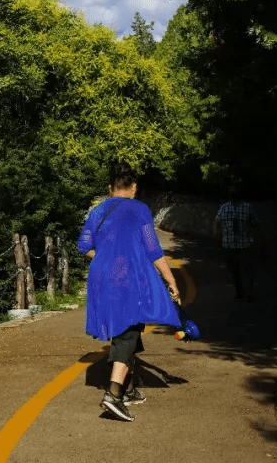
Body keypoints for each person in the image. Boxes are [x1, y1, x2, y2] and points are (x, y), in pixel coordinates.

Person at [77, 163, 181, 422]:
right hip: (127, 277)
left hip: (100, 276)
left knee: (123, 327)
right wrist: (171, 280)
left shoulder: (97, 210)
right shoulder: (140, 209)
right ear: (133, 188)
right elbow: (153, 249)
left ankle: (129, 388)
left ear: (110, 188)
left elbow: (84, 246)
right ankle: (113, 395)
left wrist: (106, 259)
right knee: (128, 332)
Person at [213, 185, 259, 301]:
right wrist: (217, 236)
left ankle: (248, 292)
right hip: (229, 245)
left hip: (244, 245)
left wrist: (260, 240)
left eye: (235, 192)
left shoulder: (247, 207)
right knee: (234, 269)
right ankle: (239, 290)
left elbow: (256, 224)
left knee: (247, 269)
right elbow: (217, 223)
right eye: (231, 192)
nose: (232, 195)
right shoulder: (224, 208)